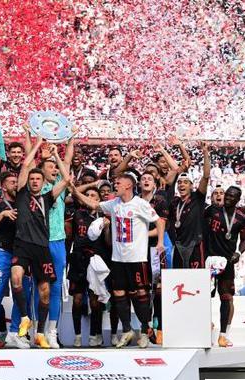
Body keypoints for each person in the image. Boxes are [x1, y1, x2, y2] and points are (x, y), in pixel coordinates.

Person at [76, 172, 162, 348]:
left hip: (137, 258)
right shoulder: (114, 204)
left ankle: (145, 331)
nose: (115, 185)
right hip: (118, 259)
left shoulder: (140, 204)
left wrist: (160, 242)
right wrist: (74, 191)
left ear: (128, 185)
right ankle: (127, 329)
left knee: (140, 294)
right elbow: (94, 204)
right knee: (118, 294)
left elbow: (159, 221)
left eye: (118, 183)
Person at [11, 138, 70, 349]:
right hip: (22, 245)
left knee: (45, 291)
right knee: (16, 279)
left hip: (42, 248)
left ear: (43, 182)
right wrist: (37, 144)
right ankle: (25, 318)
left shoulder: (47, 198)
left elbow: (66, 179)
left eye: (38, 179)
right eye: (32, 179)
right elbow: (26, 164)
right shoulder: (21, 194)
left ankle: (40, 333)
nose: (35, 181)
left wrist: (55, 156)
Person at [0, 171, 28, 349]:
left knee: (21, 293)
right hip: (2, 252)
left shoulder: (22, 203)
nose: (15, 185)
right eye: (11, 182)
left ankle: (14, 333)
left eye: (16, 182)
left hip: (21, 253)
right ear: (2, 186)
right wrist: (3, 214)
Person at [205, 186, 245, 347]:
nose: (229, 198)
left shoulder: (242, 218)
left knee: (226, 297)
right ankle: (205, 326)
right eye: (228, 195)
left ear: (238, 199)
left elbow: (244, 240)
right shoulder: (212, 211)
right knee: (204, 295)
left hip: (227, 262)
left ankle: (223, 335)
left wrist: (238, 252)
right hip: (209, 259)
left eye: (232, 196)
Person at [68, 186, 107, 347]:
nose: (90, 197)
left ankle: (94, 335)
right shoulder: (77, 214)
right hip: (77, 259)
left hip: (95, 260)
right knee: (77, 300)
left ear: (99, 200)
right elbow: (70, 236)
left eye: (93, 195)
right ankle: (77, 336)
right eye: (87, 195)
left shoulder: (104, 217)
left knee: (95, 300)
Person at [168, 142, 210, 269]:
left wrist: (205, 152)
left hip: (195, 245)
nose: (181, 185)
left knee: (196, 278)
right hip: (179, 245)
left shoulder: (198, 197)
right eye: (180, 182)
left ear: (191, 186)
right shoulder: (174, 202)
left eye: (185, 182)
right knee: (178, 277)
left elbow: (206, 176)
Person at [140, 171, 169, 345]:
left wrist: (141, 234)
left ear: (154, 184)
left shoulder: (160, 201)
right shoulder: (134, 201)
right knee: (142, 289)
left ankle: (161, 329)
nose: (146, 181)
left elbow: (161, 225)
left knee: (159, 289)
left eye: (149, 179)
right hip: (138, 250)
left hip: (156, 248)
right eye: (143, 179)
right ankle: (146, 327)